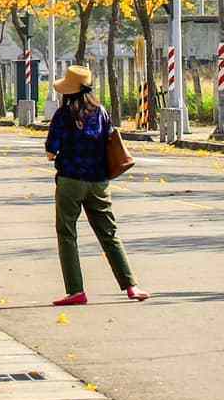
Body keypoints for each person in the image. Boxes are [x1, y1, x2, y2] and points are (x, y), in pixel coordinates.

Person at [44, 65, 149, 306]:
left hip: (70, 181)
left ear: (68, 92)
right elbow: (109, 141)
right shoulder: (101, 112)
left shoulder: (63, 115)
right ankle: (131, 286)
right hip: (99, 183)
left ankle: (76, 291)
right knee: (109, 234)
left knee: (67, 234)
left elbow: (51, 152)